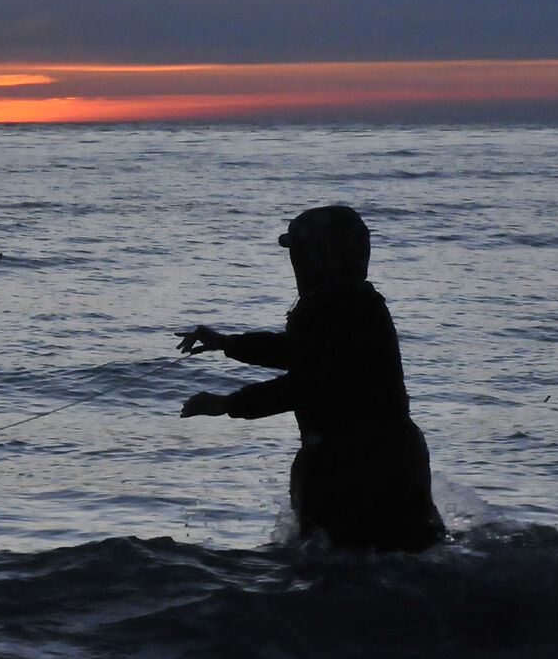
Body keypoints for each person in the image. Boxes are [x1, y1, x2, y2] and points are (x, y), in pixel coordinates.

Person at [177, 205, 445, 552]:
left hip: (347, 465)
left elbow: (307, 384)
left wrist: (227, 405)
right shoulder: (361, 303)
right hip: (398, 455)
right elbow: (303, 354)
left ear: (319, 256)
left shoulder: (331, 307)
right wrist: (228, 344)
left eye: (302, 254)